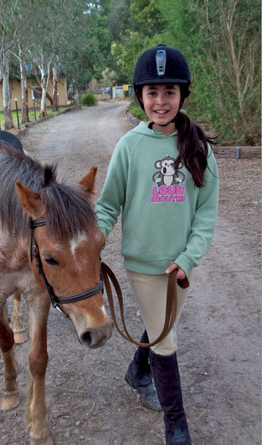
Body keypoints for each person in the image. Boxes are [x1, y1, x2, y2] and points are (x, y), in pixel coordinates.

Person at [95, 44, 219, 445]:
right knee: (165, 340)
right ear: (140, 96)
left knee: (159, 326)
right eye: (152, 92)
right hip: (143, 266)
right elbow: (109, 204)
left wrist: (189, 257)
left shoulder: (199, 146)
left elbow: (205, 212)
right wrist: (92, 245)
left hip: (179, 266)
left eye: (169, 92)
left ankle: (137, 370)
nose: (160, 101)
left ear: (183, 94)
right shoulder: (129, 147)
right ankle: (176, 426)